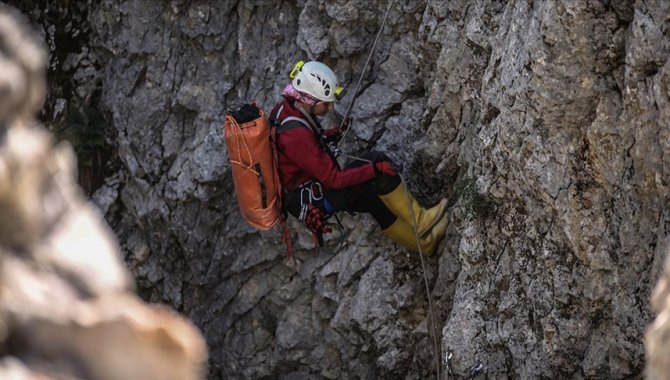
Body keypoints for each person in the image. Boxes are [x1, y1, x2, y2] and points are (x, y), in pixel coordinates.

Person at [270, 61, 449, 256]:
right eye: (326, 103)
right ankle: (421, 222)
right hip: (316, 199)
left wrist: (328, 136)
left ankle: (426, 246)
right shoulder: (296, 135)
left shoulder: (287, 107)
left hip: (306, 195)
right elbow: (334, 179)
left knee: (373, 200)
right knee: (375, 161)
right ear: (310, 99)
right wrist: (374, 169)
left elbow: (300, 155)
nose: (330, 107)